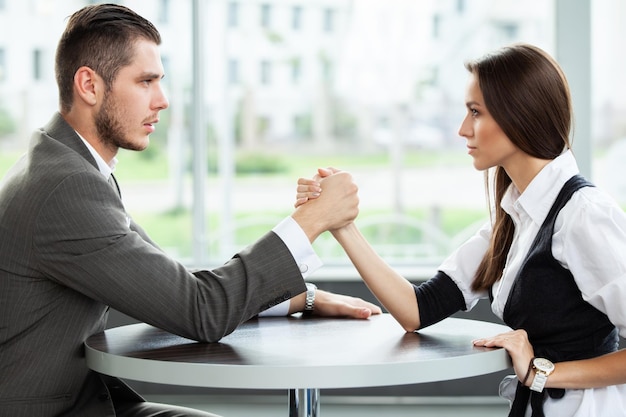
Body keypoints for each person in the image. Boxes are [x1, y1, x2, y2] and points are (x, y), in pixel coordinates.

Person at [0, 4, 382, 417]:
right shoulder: (67, 187)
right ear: (89, 85)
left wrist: (298, 300)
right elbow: (200, 311)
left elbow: (172, 290)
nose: (162, 101)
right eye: (146, 82)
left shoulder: (69, 165)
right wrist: (313, 220)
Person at [297, 43, 626, 417]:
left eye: (475, 112)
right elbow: (417, 310)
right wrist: (341, 224)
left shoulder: (583, 215)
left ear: (519, 116)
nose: (462, 129)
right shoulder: (514, 220)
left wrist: (542, 373)